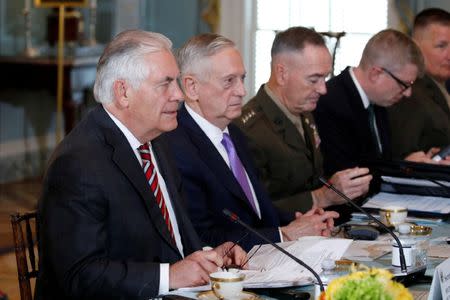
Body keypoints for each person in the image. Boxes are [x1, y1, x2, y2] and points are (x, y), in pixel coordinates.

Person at [36, 30, 246, 300]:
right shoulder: (78, 164)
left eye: (177, 82)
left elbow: (172, 242)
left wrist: (212, 254)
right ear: (123, 92)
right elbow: (79, 276)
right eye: (165, 84)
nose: (179, 95)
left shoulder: (156, 141)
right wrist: (169, 275)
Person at [164, 33, 338, 251]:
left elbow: (256, 211)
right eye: (229, 81)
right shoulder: (175, 146)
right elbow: (201, 237)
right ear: (192, 87)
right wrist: (284, 234)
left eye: (242, 79)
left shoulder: (234, 133)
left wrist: (303, 221)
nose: (242, 91)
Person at [235, 27, 372, 217]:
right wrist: (321, 197)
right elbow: (255, 212)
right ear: (282, 74)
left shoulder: (304, 111)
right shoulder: (247, 130)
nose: (323, 89)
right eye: (314, 79)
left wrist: (342, 187)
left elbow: (312, 178)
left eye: (325, 78)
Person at [314, 29, 427, 177]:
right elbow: (349, 178)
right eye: (404, 84)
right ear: (376, 74)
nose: (408, 93)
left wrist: (407, 164)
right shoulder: (330, 104)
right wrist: (401, 171)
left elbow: (377, 163)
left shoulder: (379, 100)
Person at [388, 8, 450, 161]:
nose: (449, 55)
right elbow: (406, 156)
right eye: (441, 46)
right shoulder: (409, 92)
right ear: (415, 47)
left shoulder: (441, 87)